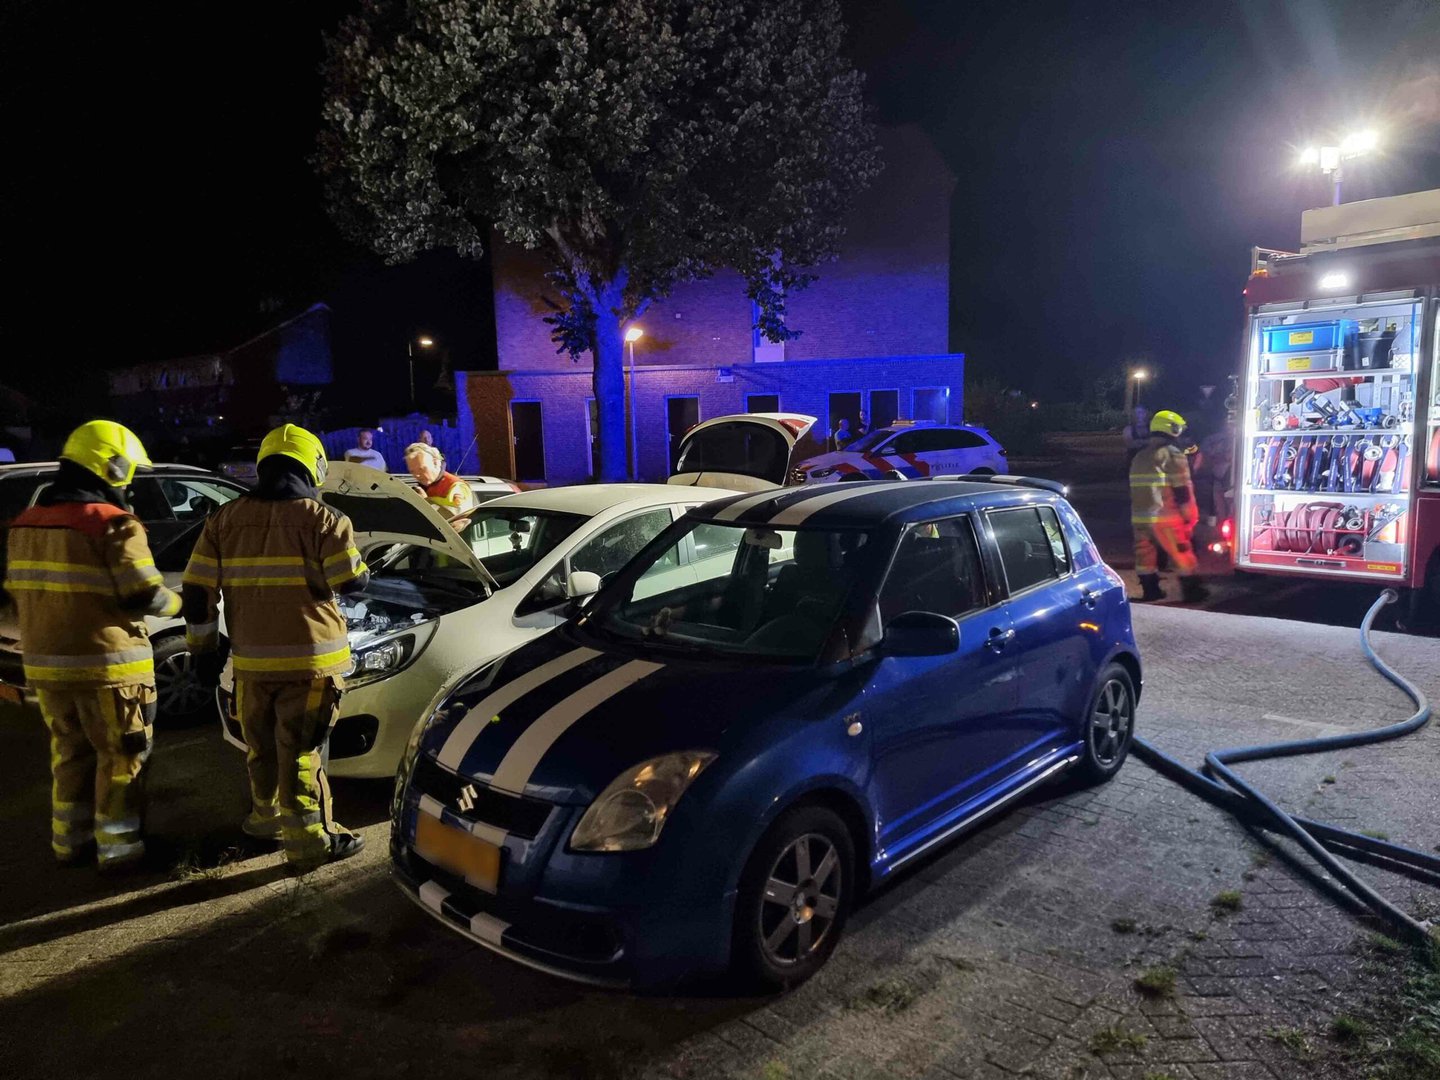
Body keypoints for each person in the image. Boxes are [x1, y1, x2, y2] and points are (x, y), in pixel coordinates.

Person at [182, 424, 369, 869]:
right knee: (301, 750)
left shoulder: (223, 520)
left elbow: (195, 592)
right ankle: (311, 843)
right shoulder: (325, 519)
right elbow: (351, 582)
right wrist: (365, 572)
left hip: (250, 664)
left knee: (260, 745)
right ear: (314, 465)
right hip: (311, 664)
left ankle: (264, 821)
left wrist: (203, 652)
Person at [3, 421, 181, 871]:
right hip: (108, 669)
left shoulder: (25, 523)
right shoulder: (113, 524)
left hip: (45, 667)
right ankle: (121, 852)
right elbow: (144, 593)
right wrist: (182, 600)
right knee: (121, 756)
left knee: (69, 753)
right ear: (112, 466)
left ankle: (69, 843)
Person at [1129, 409, 1208, 604]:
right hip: (1165, 517)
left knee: (1144, 556)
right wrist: (1189, 516)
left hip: (1140, 517)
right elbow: (1182, 490)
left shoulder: (1139, 456)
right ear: (1171, 429)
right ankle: (1192, 592)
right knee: (1181, 553)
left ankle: (1151, 590)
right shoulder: (1172, 454)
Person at [404, 442, 474, 525]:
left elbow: (455, 521)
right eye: (412, 471)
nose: (417, 475)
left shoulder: (456, 486)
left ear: (436, 463)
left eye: (422, 469)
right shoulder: (421, 488)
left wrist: (426, 502)